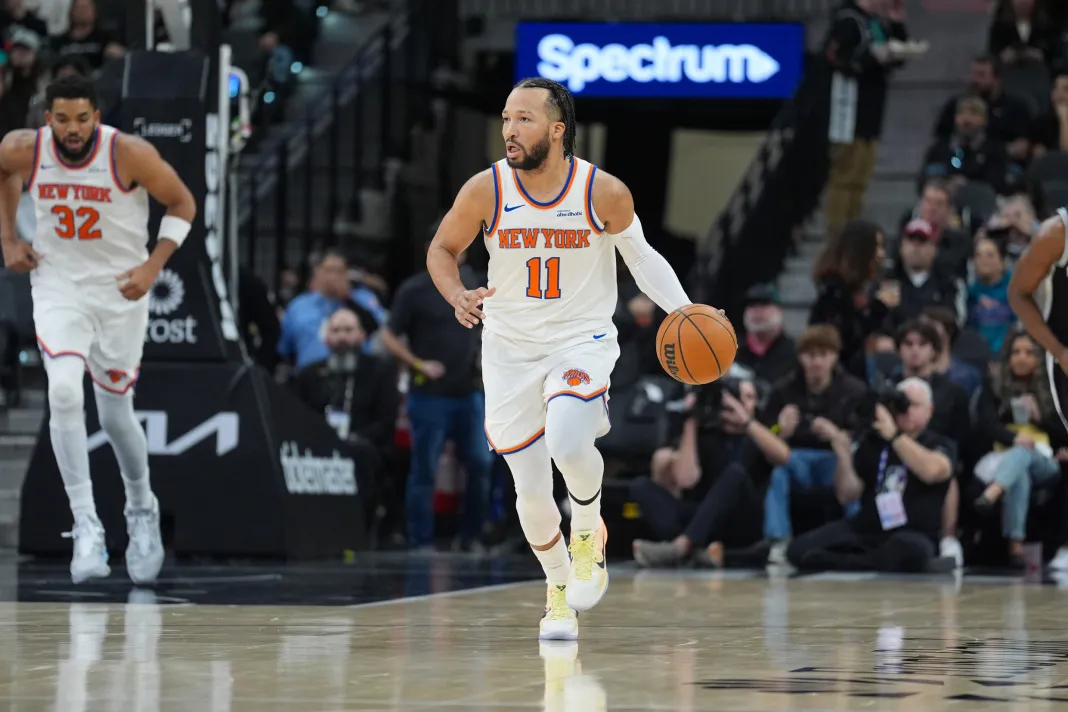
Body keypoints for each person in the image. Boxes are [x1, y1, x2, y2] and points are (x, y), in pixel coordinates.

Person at [426, 77, 696, 641]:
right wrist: (456, 292)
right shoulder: (486, 189)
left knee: (570, 440)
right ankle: (556, 591)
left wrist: (686, 311)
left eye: (523, 119)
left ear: (557, 128)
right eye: (505, 118)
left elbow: (642, 261)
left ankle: (587, 530)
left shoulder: (603, 192)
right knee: (528, 489)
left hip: (581, 340)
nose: (509, 130)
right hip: (508, 350)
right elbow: (443, 249)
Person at [0, 75, 197, 584]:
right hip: (59, 285)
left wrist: (154, 267)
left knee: (114, 416)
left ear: (97, 117)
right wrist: (7, 237)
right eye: (62, 119)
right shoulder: (25, 148)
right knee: (64, 393)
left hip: (118, 290)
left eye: (82, 118)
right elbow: (4, 172)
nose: (72, 129)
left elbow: (183, 204)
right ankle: (85, 523)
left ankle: (140, 508)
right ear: (47, 118)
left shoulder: (127, 153)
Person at [785, 378, 956, 573]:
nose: (906, 410)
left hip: (912, 531)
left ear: (929, 410)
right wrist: (844, 457)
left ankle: (844, 563)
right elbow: (847, 494)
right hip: (868, 528)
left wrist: (895, 436)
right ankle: (862, 562)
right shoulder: (874, 442)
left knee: (910, 551)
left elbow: (932, 471)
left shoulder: (939, 443)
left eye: (914, 405)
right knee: (797, 550)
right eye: (901, 404)